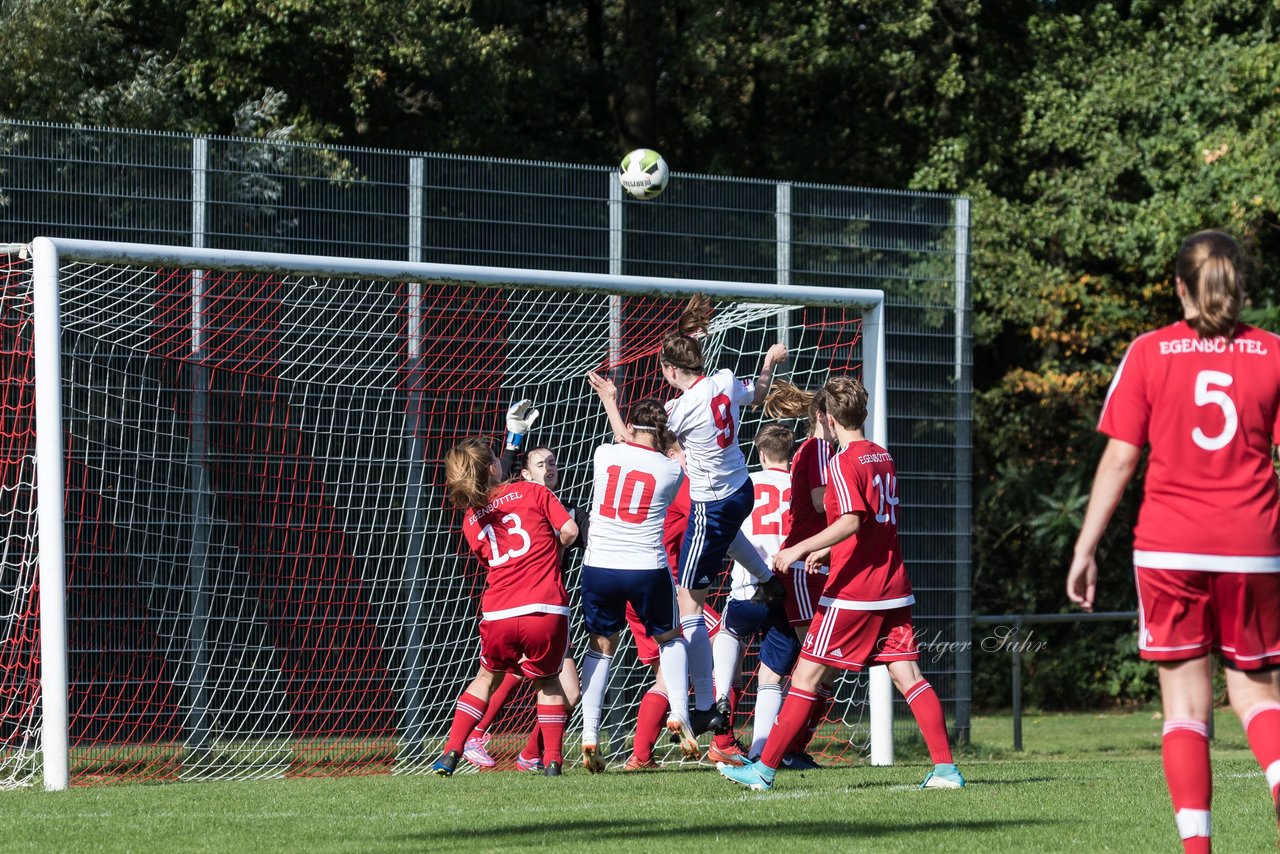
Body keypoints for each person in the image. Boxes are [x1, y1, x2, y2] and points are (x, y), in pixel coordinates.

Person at [1067, 230, 1280, 853]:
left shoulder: (1150, 352)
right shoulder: (1272, 353)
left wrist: (1085, 546)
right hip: (1253, 545)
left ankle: (1197, 849)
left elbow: (1120, 460)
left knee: (1186, 709)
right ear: (1238, 284)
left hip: (1169, 550)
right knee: (1258, 695)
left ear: (1180, 285)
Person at [718, 376, 963, 791]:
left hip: (855, 592)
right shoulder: (881, 456)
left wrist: (799, 549)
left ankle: (763, 770)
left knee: (804, 679)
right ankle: (946, 770)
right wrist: (827, 550)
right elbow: (870, 525)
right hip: (893, 586)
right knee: (910, 678)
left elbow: (851, 520)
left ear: (829, 420)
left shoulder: (841, 462)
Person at [659, 294, 788, 739]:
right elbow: (761, 392)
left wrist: (613, 405)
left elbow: (644, 442)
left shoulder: (677, 410)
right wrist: (770, 359)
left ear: (673, 372)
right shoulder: (727, 380)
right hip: (741, 492)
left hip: (711, 505)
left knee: (687, 602)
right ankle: (767, 579)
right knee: (730, 540)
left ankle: (705, 705)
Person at [432, 437, 578, 778]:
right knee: (549, 683)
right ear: (494, 467)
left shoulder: (470, 519)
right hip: (543, 607)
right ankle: (552, 762)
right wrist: (551, 554)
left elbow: (491, 560)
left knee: (485, 678)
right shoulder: (534, 492)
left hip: (498, 612)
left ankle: (451, 752)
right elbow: (569, 531)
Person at [463, 401, 585, 770]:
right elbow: (496, 476)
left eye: (552, 462)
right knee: (522, 676)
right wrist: (514, 438)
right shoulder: (517, 499)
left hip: (545, 606)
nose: (548, 468)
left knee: (568, 693)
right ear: (524, 474)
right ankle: (480, 735)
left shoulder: (563, 506)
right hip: (522, 603)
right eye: (540, 463)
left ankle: (528, 753)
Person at [574, 389, 687, 774]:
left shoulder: (603, 455)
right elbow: (656, 451)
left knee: (601, 647)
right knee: (671, 637)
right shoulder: (670, 470)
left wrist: (610, 401)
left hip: (599, 565)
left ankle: (589, 733)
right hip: (645, 566)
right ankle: (681, 715)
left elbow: (623, 439)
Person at [710, 422, 803, 762]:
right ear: (791, 456)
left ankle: (720, 695)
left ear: (761, 455)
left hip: (750, 583)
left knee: (729, 631)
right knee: (772, 676)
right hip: (789, 588)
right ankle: (762, 749)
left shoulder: (744, 483)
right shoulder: (801, 485)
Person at [760, 380, 839, 768]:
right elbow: (821, 502)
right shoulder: (820, 448)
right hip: (805, 567)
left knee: (825, 667)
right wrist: (862, 502)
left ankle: (793, 748)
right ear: (825, 417)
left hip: (818, 563)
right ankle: (782, 749)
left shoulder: (820, 449)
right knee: (815, 663)